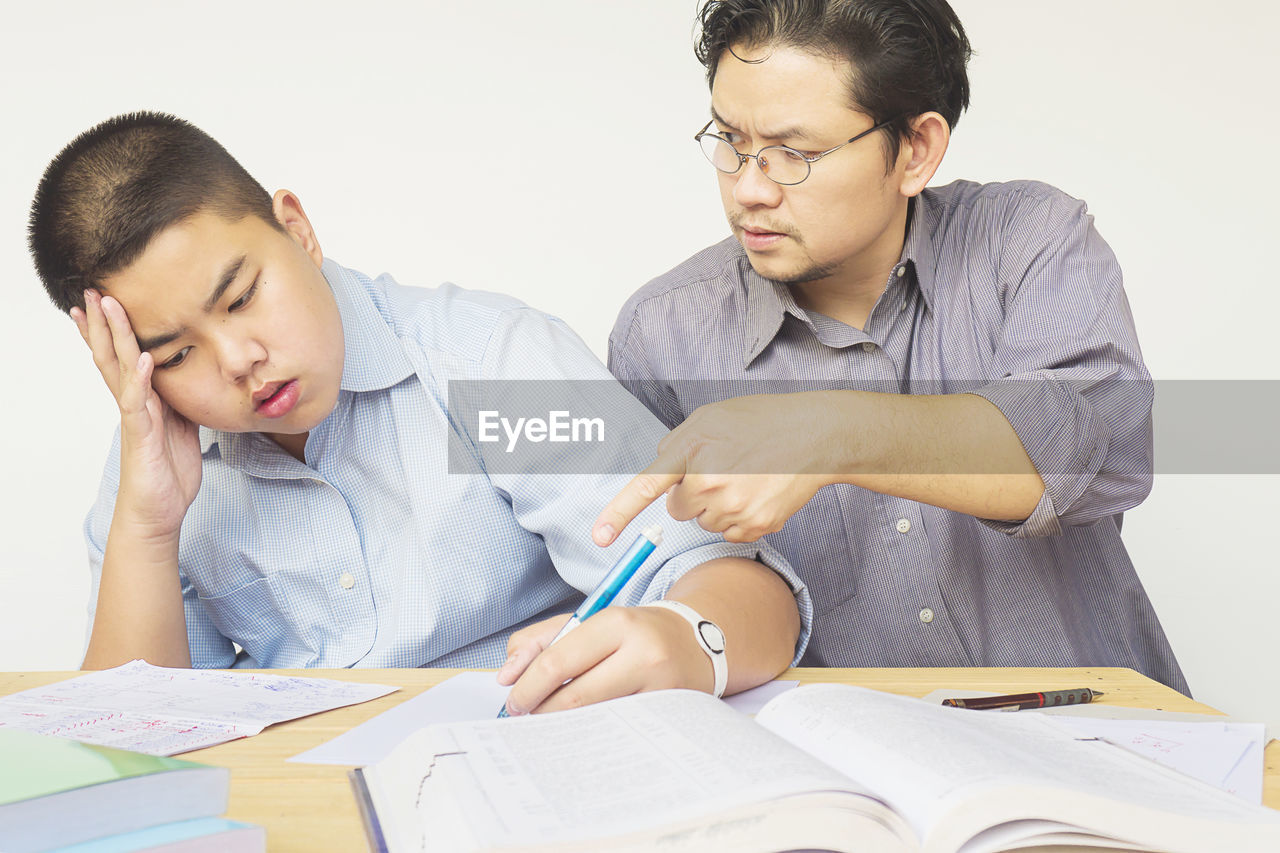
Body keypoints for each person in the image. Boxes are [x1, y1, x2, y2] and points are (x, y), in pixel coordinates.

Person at [27, 111, 809, 716]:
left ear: (297, 229)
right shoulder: (155, 470)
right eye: (172, 354)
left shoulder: (486, 370)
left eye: (240, 297)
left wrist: (686, 635)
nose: (236, 360)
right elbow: (134, 738)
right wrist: (149, 527)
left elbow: (749, 594)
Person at [598, 0, 1187, 691]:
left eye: (794, 153)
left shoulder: (1027, 239)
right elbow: (667, 581)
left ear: (916, 150)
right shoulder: (660, 335)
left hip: (1107, 744)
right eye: (730, 140)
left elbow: (1088, 446)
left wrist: (824, 432)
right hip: (847, 780)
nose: (749, 188)